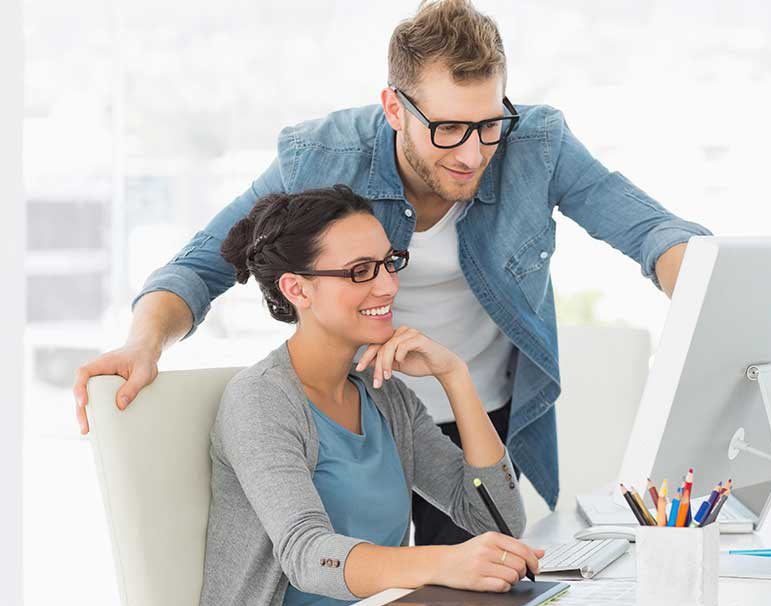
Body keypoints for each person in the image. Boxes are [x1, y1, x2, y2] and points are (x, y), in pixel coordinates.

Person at [72, 0, 711, 545]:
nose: (472, 154)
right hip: (361, 423)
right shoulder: (325, 154)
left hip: (475, 419)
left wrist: (710, 303)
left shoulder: (536, 145)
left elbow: (652, 232)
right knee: (351, 603)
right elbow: (201, 265)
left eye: (489, 125)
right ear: (394, 108)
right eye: (449, 128)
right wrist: (142, 342)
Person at [199, 184, 540, 606]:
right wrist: (442, 562)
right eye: (361, 271)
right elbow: (306, 553)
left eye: (387, 262)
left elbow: (494, 518)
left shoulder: (387, 398)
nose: (388, 285)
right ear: (297, 289)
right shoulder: (261, 400)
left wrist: (455, 376)